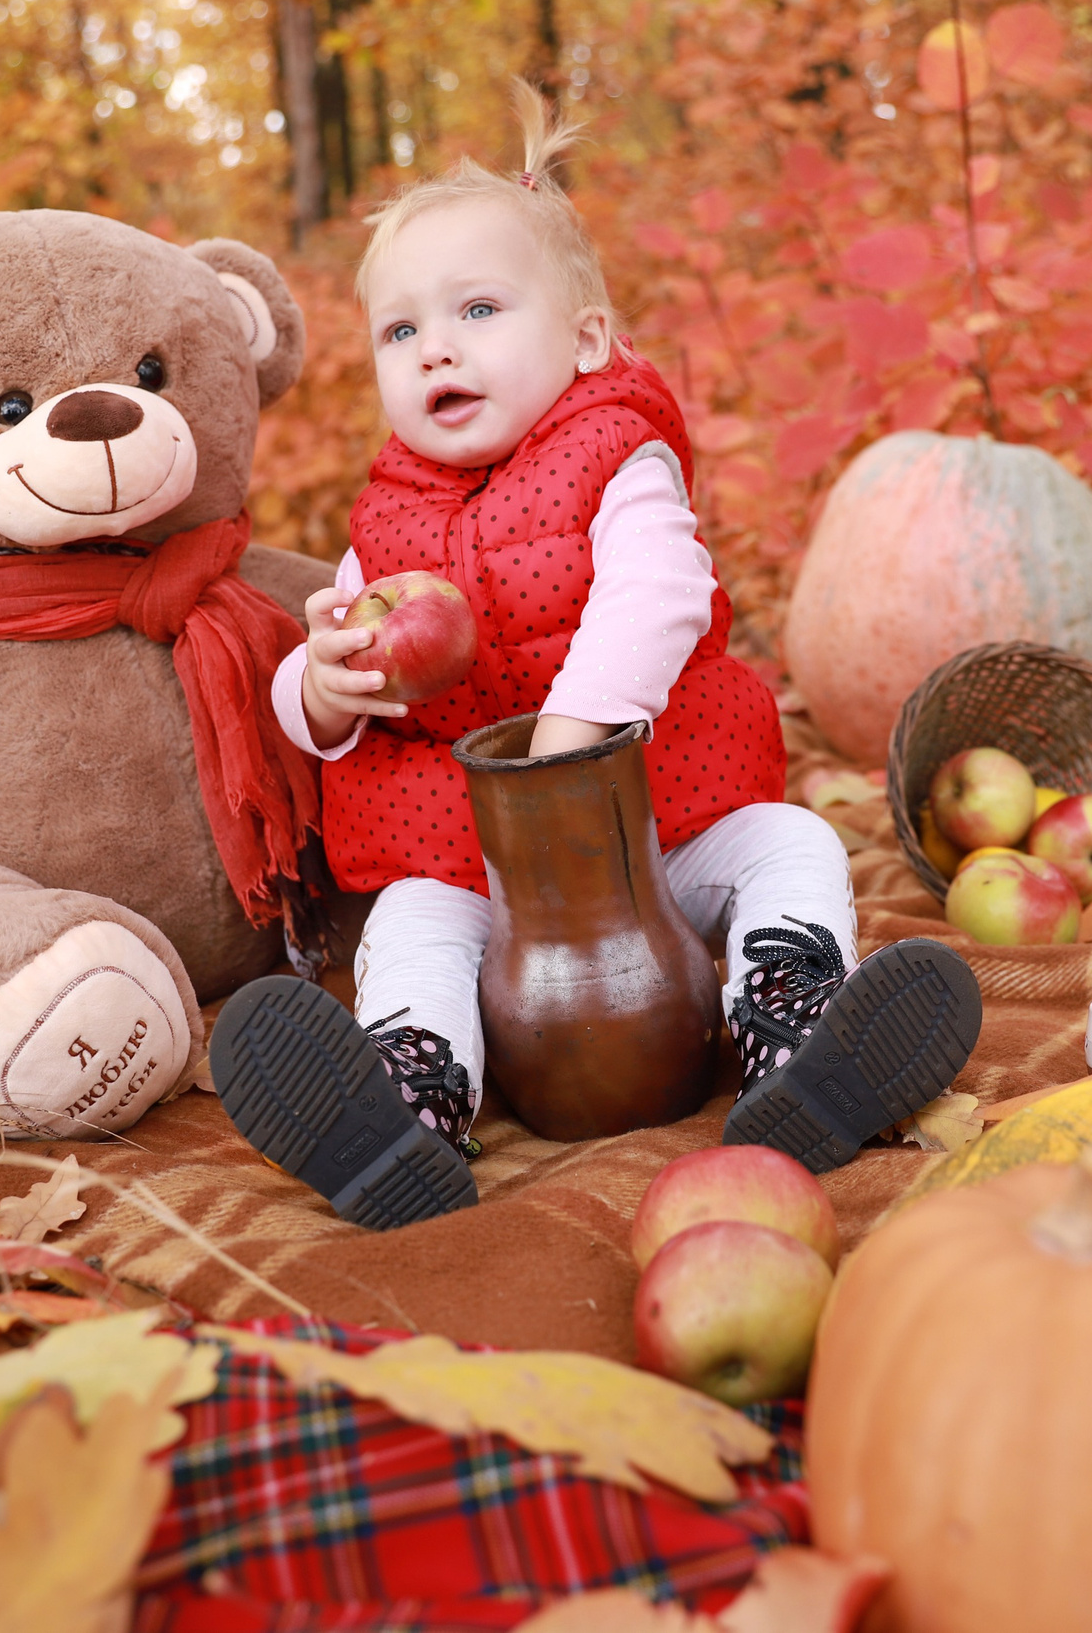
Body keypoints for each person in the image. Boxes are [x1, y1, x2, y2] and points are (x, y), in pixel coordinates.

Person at [209, 85, 981, 1228]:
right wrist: (320, 685)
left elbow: (658, 597)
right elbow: (319, 676)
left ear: (584, 342)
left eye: (477, 309)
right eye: (402, 330)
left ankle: (790, 1013)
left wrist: (568, 744)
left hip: (651, 828)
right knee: (414, 927)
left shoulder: (618, 459)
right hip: (480, 866)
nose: (437, 351)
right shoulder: (383, 527)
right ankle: (411, 1094)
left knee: (787, 840)